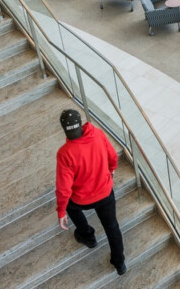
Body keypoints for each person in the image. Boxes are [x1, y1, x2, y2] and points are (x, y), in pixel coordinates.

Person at [56, 109, 127, 276]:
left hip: (83, 200)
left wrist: (60, 211)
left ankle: (88, 236)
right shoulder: (98, 134)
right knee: (112, 227)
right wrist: (111, 169)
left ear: (64, 130)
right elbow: (112, 156)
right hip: (105, 192)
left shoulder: (65, 153)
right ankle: (120, 264)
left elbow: (63, 188)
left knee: (70, 207)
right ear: (80, 125)